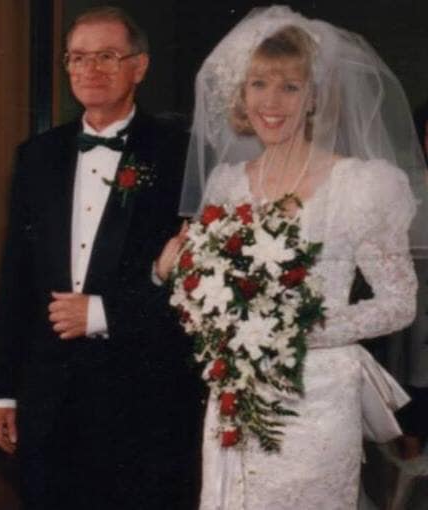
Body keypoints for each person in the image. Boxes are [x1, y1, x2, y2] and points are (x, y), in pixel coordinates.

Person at [156, 6, 428, 509]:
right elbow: (202, 295)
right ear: (241, 95)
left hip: (318, 398)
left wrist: (296, 330)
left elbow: (399, 304)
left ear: (313, 97)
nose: (271, 102)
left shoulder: (361, 186)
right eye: (258, 84)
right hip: (237, 396)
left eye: (289, 87)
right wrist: (172, 274)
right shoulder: (227, 185)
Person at [0, 6, 200, 510]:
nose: (90, 69)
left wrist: (105, 313)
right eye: (78, 57)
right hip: (49, 399)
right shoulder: (37, 155)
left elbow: (200, 288)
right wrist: (2, 393)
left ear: (139, 67)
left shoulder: (180, 155)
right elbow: (16, 280)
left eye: (107, 56)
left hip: (143, 398)